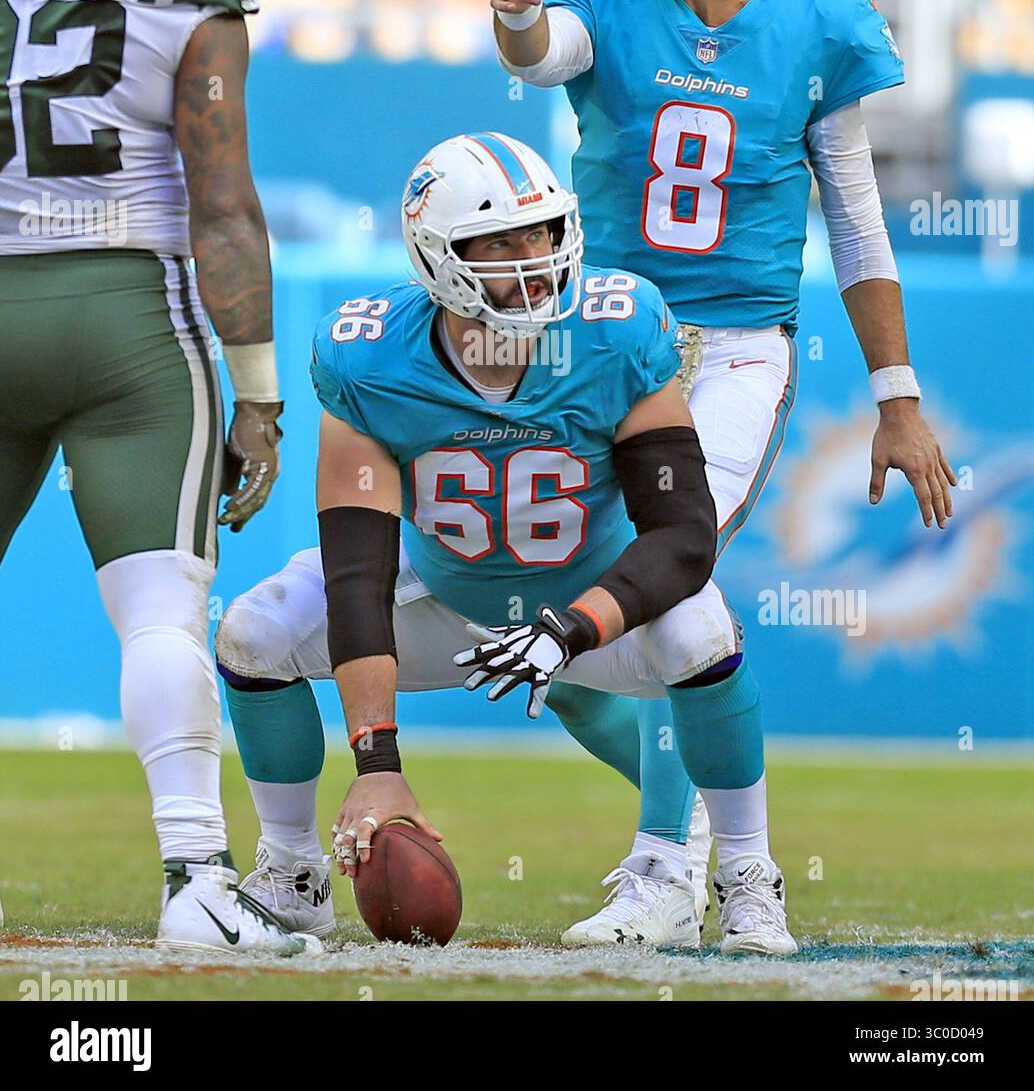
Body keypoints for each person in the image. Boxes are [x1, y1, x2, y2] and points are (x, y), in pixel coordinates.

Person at [491, 0, 955, 946]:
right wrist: (509, 16)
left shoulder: (814, 23)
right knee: (556, 630)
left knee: (664, 574)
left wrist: (896, 397)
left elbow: (854, 224)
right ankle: (694, 836)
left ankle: (677, 866)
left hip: (734, 350)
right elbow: (542, 53)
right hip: (597, 341)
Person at [215, 131, 798, 955]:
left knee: (700, 628)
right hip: (444, 592)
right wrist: (377, 767)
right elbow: (357, 573)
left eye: (544, 233)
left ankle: (742, 877)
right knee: (253, 630)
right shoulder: (369, 354)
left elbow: (682, 538)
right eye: (499, 242)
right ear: (435, 255)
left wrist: (571, 629)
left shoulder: (618, 328)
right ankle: (292, 870)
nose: (533, 259)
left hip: (587, 610)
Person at [0, 0, 316, 957]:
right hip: (129, 312)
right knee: (158, 614)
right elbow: (223, 202)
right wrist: (259, 394)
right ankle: (194, 879)